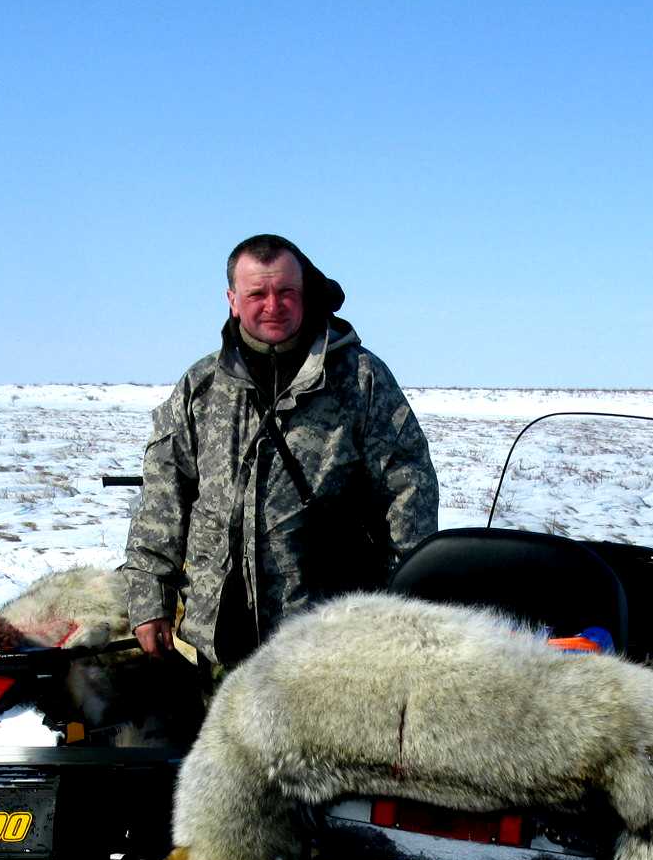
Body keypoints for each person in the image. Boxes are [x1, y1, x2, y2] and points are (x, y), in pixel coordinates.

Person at [124, 234, 438, 670]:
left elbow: (409, 488)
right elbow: (163, 497)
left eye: (286, 292)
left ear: (305, 293)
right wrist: (150, 598)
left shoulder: (360, 379)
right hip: (218, 642)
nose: (273, 305)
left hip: (331, 644)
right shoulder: (201, 388)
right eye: (257, 294)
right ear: (233, 300)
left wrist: (408, 602)